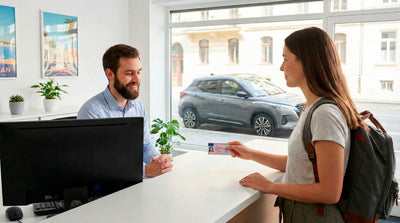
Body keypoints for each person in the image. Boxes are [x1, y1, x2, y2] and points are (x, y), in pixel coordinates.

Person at [225, 27, 367, 222]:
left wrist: (270, 186)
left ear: (307, 62)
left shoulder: (325, 114)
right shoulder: (313, 108)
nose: (281, 68)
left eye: (285, 59)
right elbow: (300, 166)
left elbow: (330, 191)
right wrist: (251, 154)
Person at [77, 44, 173, 178]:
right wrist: (145, 171)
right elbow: (95, 164)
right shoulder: (91, 112)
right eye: (129, 73)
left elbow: (144, 145)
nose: (136, 79)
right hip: (106, 190)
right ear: (110, 74)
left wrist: (160, 161)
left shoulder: (138, 106)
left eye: (138, 72)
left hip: (134, 183)